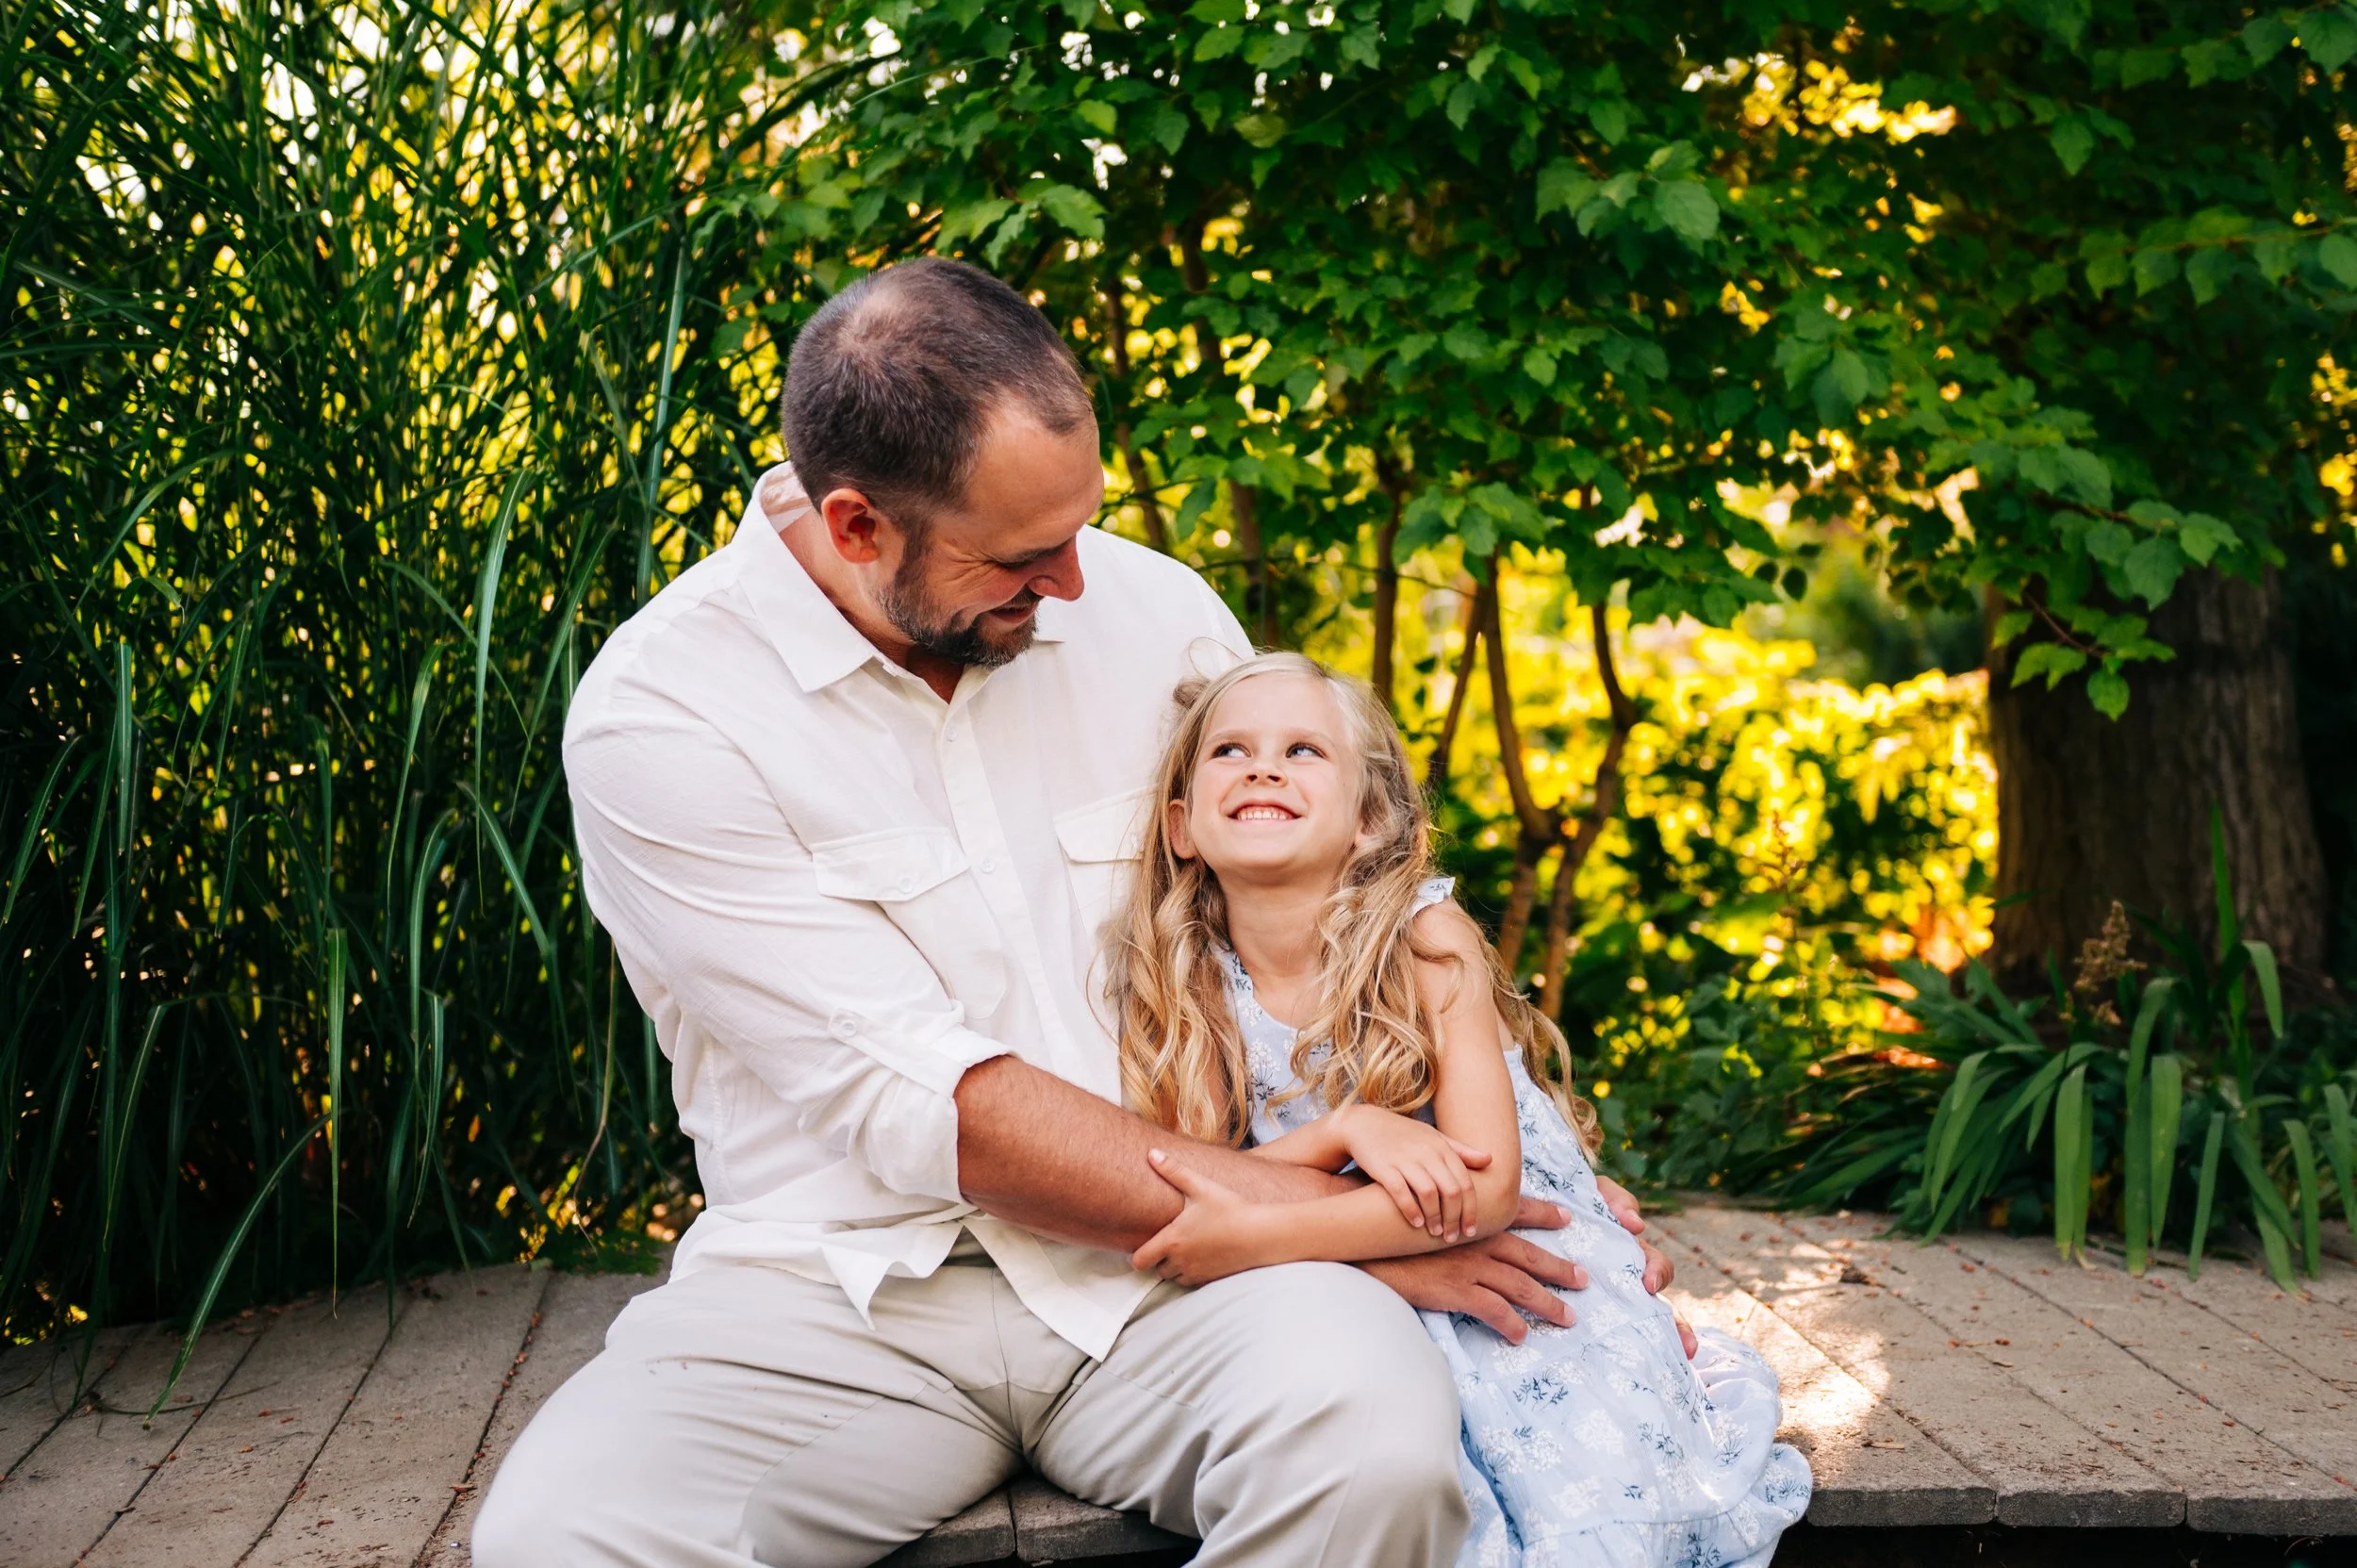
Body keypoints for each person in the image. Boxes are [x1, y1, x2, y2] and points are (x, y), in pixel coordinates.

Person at [472, 256, 1687, 1568]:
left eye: (1080, 526)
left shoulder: (1156, 613)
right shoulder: (671, 709)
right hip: (844, 1301)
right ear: (858, 524)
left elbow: (1345, 916)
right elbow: (936, 1104)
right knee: (563, 1539)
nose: (1074, 582)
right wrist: (1373, 1223)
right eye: (1021, 555)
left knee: (1377, 1454)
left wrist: (1510, 1174)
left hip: (1199, 1289)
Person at [1111, 651, 1812, 1567]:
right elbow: (1201, 1174)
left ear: (1368, 822)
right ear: (1182, 827)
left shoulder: (1425, 943)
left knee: (1565, 1498)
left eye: (1301, 751)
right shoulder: (1194, 977)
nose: (1263, 768)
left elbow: (1483, 1194)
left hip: (1524, 1276)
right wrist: (1343, 1129)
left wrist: (1251, 1241)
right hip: (1372, 1277)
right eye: (1231, 751)